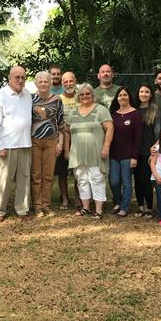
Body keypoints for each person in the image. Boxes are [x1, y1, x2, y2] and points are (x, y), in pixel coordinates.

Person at [0, 65, 32, 222]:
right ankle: (0, 211)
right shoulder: (1, 94)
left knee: (24, 179)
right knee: (5, 180)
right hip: (7, 145)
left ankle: (22, 210)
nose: (20, 80)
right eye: (17, 77)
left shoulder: (28, 94)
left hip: (25, 144)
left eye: (23, 77)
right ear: (10, 78)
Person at [65, 83, 113, 219]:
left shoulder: (101, 110)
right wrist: (67, 151)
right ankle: (85, 207)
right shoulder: (74, 112)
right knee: (82, 179)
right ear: (78, 97)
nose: (85, 96)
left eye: (87, 94)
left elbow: (109, 128)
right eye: (82, 94)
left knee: (97, 179)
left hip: (96, 152)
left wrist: (106, 147)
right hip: (77, 153)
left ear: (93, 95)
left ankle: (98, 210)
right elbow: (67, 131)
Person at [30, 71, 65, 217]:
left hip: (52, 141)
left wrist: (60, 143)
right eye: (41, 81)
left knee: (48, 175)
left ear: (50, 83)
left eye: (46, 81)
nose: (43, 84)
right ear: (36, 83)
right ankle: (37, 206)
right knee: (36, 174)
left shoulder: (57, 100)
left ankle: (46, 205)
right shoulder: (30, 99)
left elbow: (61, 124)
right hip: (34, 140)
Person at [109, 87, 143, 217]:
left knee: (127, 182)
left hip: (128, 155)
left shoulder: (135, 114)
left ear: (129, 97)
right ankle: (117, 201)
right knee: (114, 181)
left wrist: (135, 157)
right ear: (117, 98)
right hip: (114, 155)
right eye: (120, 95)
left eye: (125, 95)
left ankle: (124, 206)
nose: (122, 97)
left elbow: (138, 138)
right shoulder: (113, 114)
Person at [134, 84, 161, 218]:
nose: (143, 94)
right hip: (134, 151)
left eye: (147, 92)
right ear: (138, 93)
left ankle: (149, 207)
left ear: (151, 95)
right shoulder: (134, 110)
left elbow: (158, 134)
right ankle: (140, 206)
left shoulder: (155, 110)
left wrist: (154, 151)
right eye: (141, 91)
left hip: (148, 152)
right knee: (137, 180)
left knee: (146, 180)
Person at [56, 70, 80, 209]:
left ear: (75, 81)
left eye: (71, 81)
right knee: (62, 172)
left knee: (78, 171)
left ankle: (78, 198)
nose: (69, 84)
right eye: (66, 82)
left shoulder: (81, 97)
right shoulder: (58, 99)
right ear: (62, 83)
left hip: (78, 139)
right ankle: (65, 198)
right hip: (62, 138)